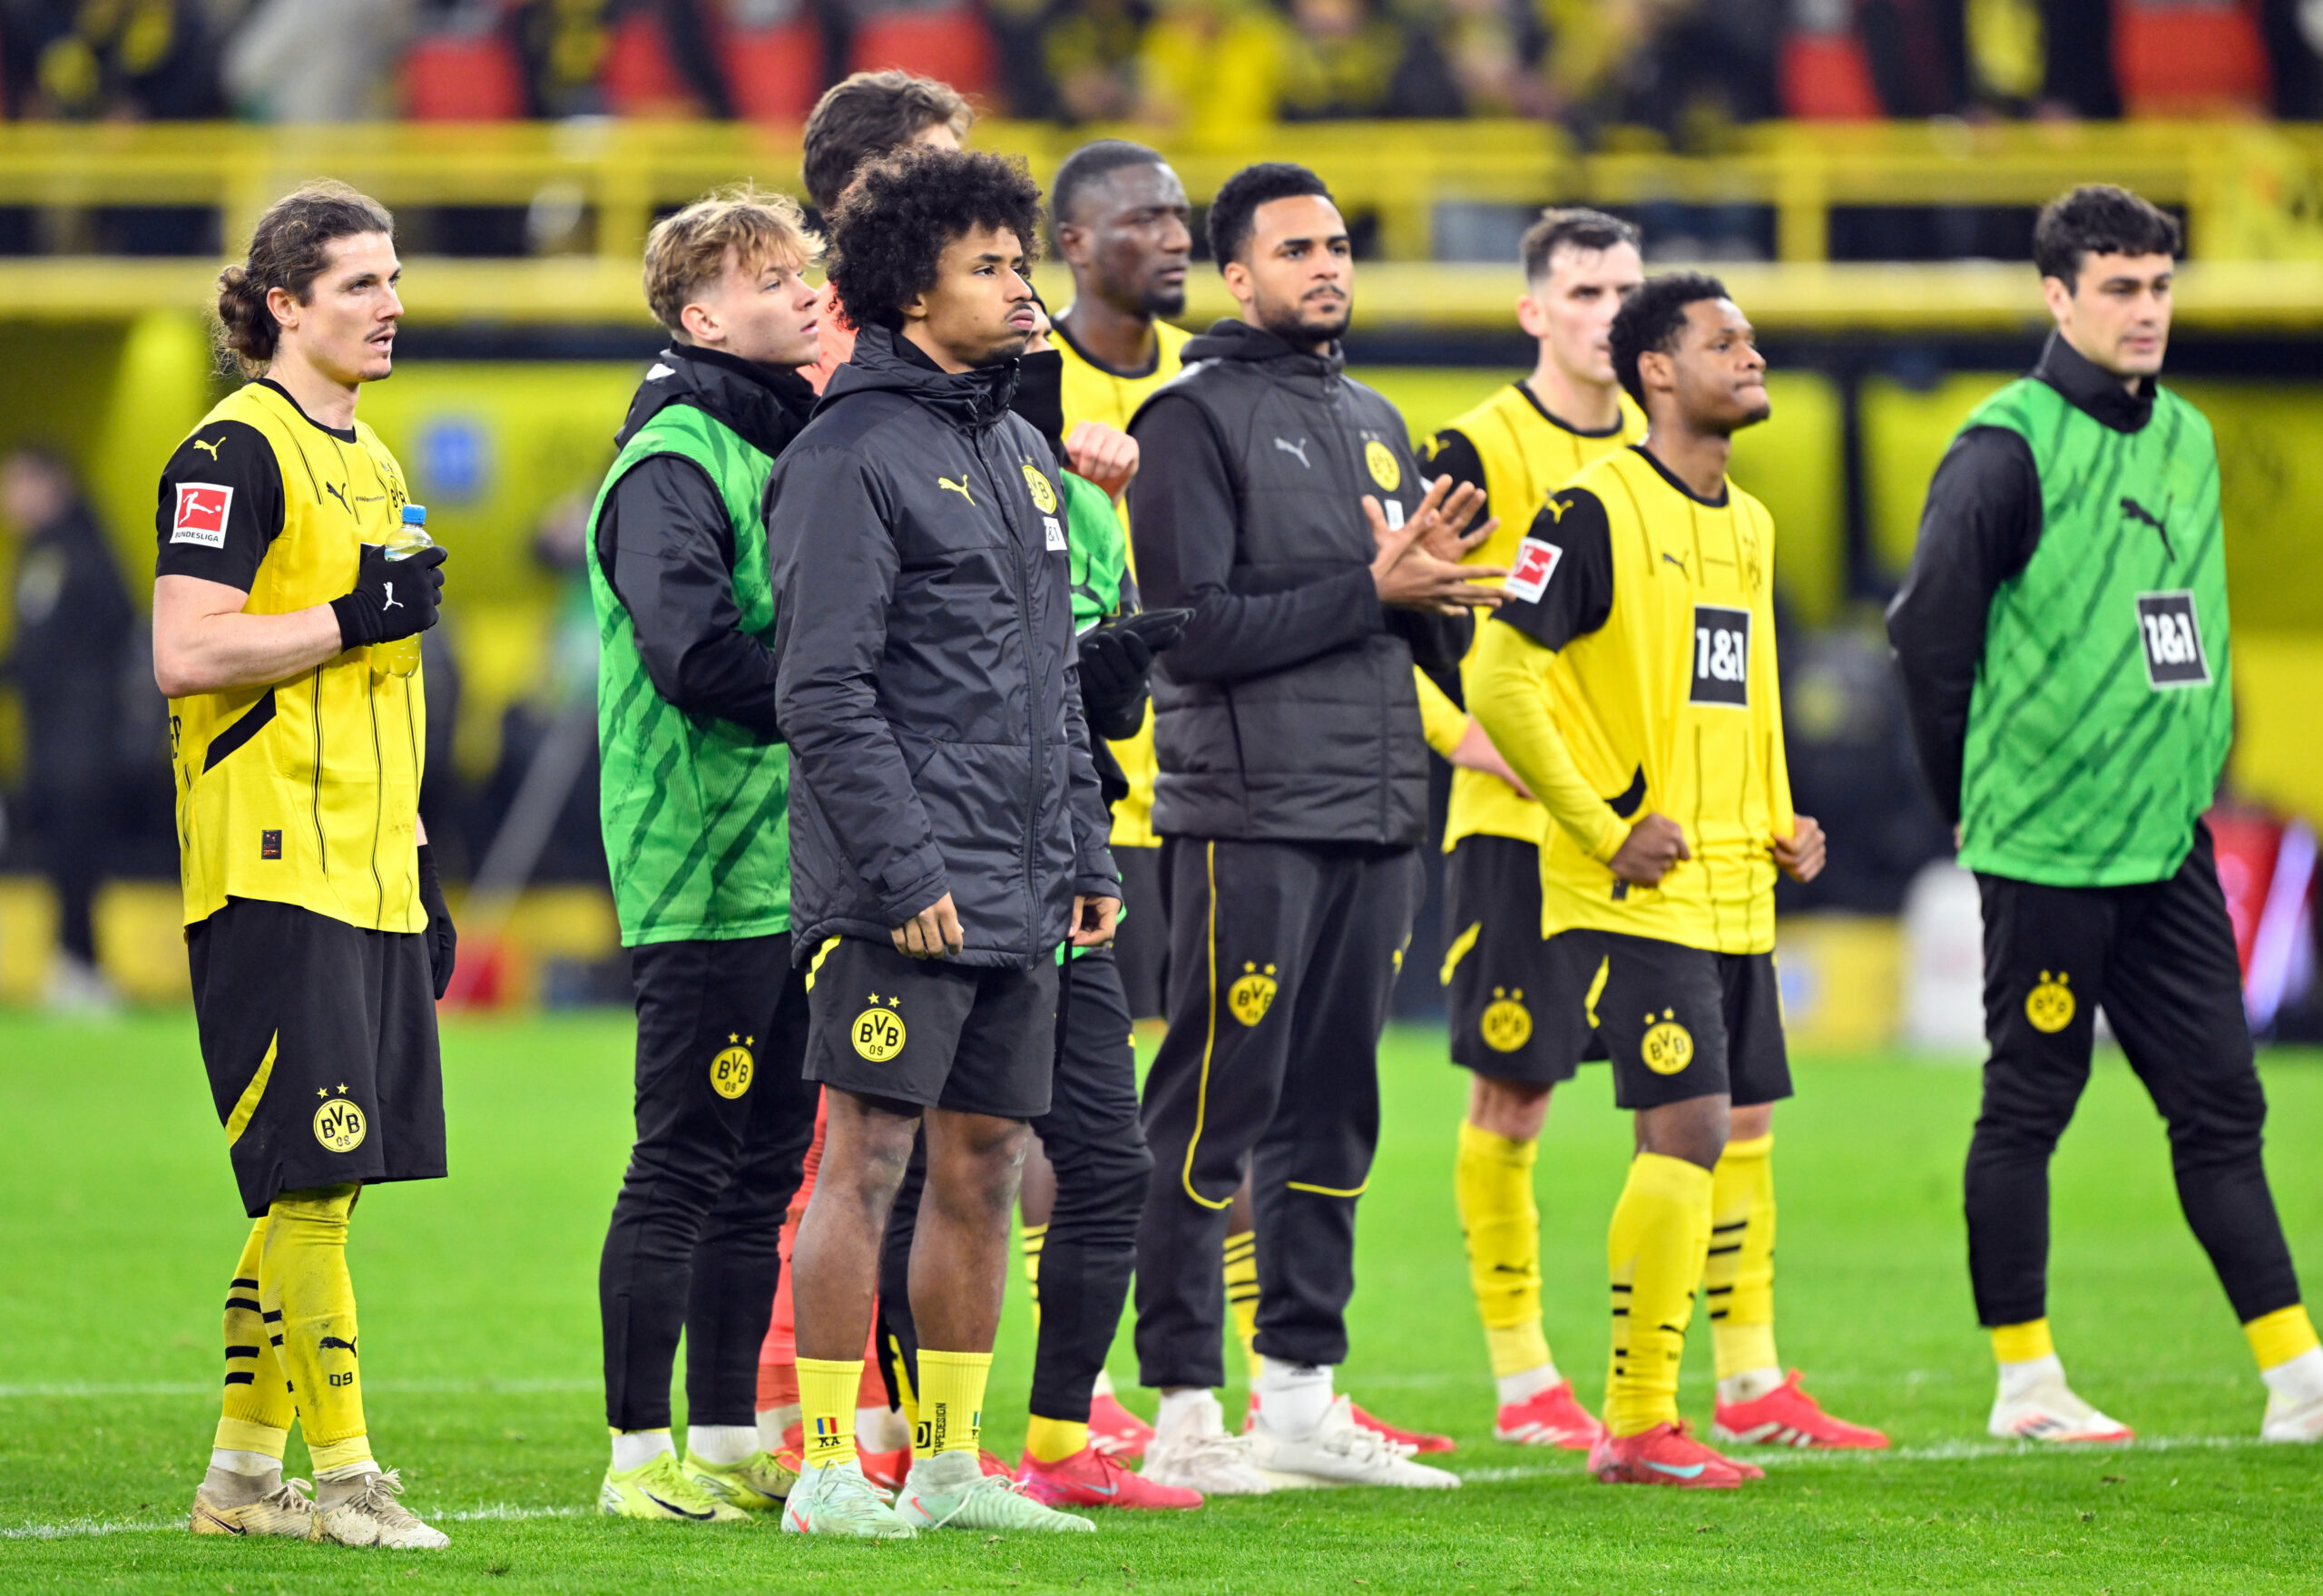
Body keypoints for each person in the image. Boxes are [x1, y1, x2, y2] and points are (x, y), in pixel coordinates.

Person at [1888, 184, 2323, 1445]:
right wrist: (1961, 796)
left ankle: (2296, 1373)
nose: (2147, 310)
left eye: (2161, 285)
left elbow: (2179, 628)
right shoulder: (2002, 448)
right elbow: (1926, 634)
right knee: (2032, 1098)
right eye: (2121, 287)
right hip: (2049, 840)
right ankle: (2026, 1377)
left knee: (2224, 1102)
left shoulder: (2186, 433)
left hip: (2167, 836)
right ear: (2058, 295)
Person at [1467, 271, 1884, 1489]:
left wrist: (1782, 812)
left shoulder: (1748, 524)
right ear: (1657, 368)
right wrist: (1600, 824)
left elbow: (1737, 694)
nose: (1751, 356)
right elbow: (1500, 677)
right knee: (1687, 1121)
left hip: (1731, 881)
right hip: (1629, 885)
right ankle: (1637, 1418)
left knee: (1729, 1123)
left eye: (1752, 339)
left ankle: (1727, 1391)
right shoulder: (1587, 513)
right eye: (1724, 341)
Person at [1126, 161, 1497, 1494]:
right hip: (1248, 814)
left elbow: (1384, 612)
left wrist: (1443, 598)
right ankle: (1179, 1403)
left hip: (1377, 809)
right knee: (1215, 1102)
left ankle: (1298, 1395)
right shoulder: (1191, 418)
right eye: (1296, 249)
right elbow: (1189, 631)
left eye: (1340, 244)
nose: (1327, 265)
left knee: (1335, 1112)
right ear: (1236, 275)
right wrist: (1371, 587)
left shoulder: (1383, 420)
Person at [766, 144, 1119, 1538]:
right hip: (900, 888)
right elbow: (822, 690)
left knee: (985, 1160)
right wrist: (904, 871)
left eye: (1023, 260)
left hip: (1023, 880)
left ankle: (958, 1462)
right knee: (867, 1157)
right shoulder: (846, 454)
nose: (1025, 287)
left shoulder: (1021, 450)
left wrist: (1084, 852)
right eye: (993, 265)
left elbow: (1051, 684)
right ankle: (829, 1469)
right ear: (913, 287)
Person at [153, 181, 456, 1549]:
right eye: (359, 283)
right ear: (284, 304)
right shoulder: (235, 450)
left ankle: (238, 1479)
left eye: (393, 280)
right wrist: (344, 613)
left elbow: (384, 681)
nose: (390, 303)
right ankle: (347, 1483)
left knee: (303, 1184)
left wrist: (418, 860)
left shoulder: (375, 457)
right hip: (273, 861)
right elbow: (187, 648)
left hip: (365, 867)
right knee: (316, 1185)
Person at [587, 185, 829, 1522]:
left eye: (805, 268)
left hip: (789, 863)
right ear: (701, 312)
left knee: (762, 1165)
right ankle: (635, 1455)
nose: (806, 289)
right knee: (683, 1159)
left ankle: (730, 1437)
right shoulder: (675, 454)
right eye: (774, 274)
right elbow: (694, 656)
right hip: (700, 861)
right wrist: (842, 681)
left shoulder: (773, 439)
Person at [755, 65, 975, 1468]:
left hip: (954, 784)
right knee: (846, 1123)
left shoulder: (948, 344)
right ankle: (794, 1404)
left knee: (956, 1136)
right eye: (946, 164)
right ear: (873, 185)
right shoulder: (819, 346)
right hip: (847, 788)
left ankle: (899, 1413)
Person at [1419, 208, 1645, 1451]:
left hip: (1639, 826)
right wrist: (1453, 730)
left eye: (1625, 288)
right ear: (1534, 311)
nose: (1608, 310)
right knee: (1516, 1092)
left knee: (1711, 1099)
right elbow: (1390, 603)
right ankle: (1523, 1377)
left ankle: (1747, 1369)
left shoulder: (1667, 456)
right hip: (1510, 824)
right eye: (1585, 290)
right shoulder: (1476, 447)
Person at [1048, 137, 1195, 1024]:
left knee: (1225, 1094)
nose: (1175, 236)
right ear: (1074, 242)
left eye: (1179, 215)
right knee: (1084, 1099)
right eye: (1144, 218)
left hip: (1215, 792)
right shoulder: (1026, 383)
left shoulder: (1216, 375)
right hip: (1097, 796)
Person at [0, 447, 135, 1011]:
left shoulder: (78, 550)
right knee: (62, 850)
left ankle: (83, 968)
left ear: (50, 482)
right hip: (54, 734)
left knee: (78, 850)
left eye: (15, 484)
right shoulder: (45, 550)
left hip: (81, 738)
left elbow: (93, 636)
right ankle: (72, 960)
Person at [796, 69, 974, 390]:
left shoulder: (1003, 313)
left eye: (961, 172)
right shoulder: (811, 351)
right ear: (860, 200)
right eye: (939, 174)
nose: (966, 191)